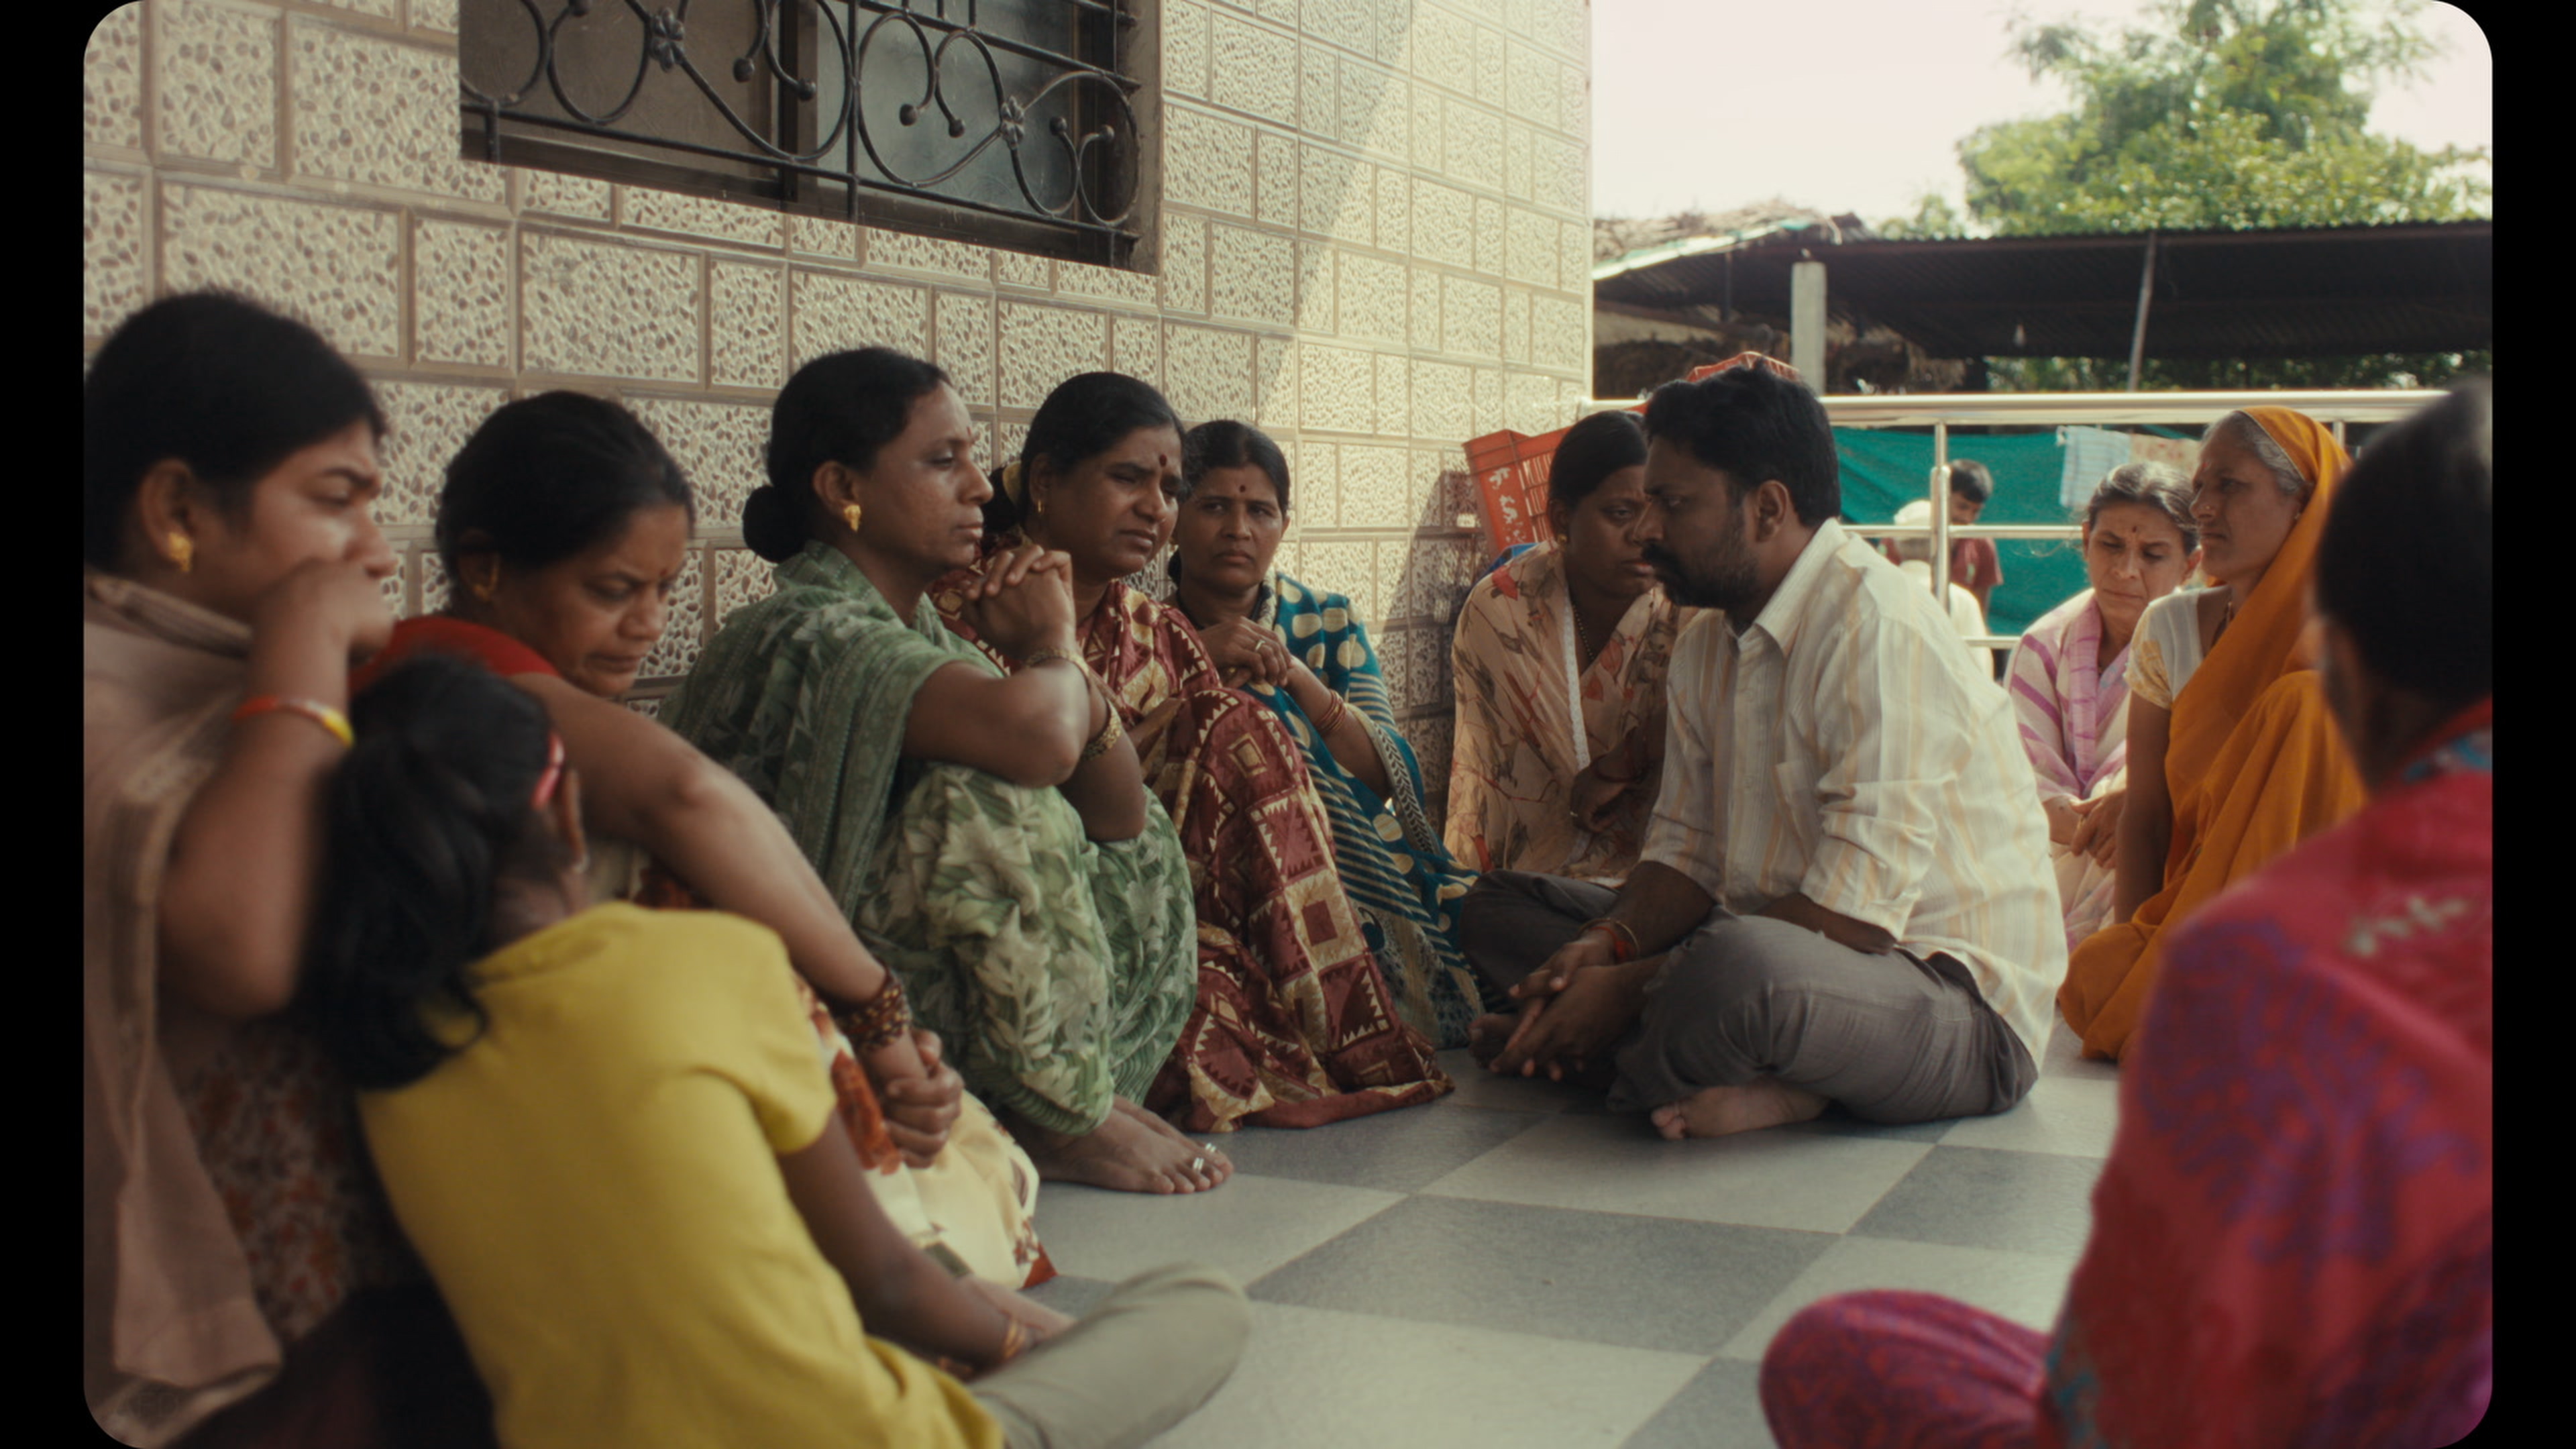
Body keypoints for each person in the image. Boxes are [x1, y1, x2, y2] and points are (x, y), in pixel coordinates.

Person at [1757, 380, 2490, 1449]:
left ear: (2345, 635)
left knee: (1836, 1346)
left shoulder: (2266, 961)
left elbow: (2120, 1398)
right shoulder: (2144, 638)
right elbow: (2118, 804)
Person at [307, 654, 1252, 1449]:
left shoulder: (382, 1056)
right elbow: (886, 1283)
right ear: (563, 812)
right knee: (1203, 1303)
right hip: (856, 1430)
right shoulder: (707, 958)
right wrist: (1025, 1347)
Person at [351, 390, 1053, 1283]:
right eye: (612, 591)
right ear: (483, 569)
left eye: (664, 590)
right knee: (696, 906)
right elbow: (688, 797)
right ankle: (900, 1271)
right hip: (490, 1048)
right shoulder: (454, 675)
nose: (647, 625)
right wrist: (876, 1017)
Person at [83, 290, 492, 1446]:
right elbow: (243, 950)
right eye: (335, 501)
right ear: (175, 509)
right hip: (250, 1341)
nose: (372, 548)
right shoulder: (114, 694)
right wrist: (304, 654)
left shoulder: (254, 694)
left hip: (374, 1288)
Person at [663, 350, 1221, 1194]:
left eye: (971, 456)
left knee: (1135, 833)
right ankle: (1055, 1113)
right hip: (798, 996)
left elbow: (1119, 819)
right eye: (941, 460)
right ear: (840, 488)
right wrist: (1049, 647)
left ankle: (1058, 1092)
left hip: (895, 976)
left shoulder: (923, 633)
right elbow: (1035, 746)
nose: (977, 488)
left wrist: (1079, 691)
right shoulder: (804, 630)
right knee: (990, 798)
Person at [1457, 362, 2061, 1140]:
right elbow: (1683, 856)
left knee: (1739, 973)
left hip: (1945, 998)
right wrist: (1605, 947)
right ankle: (1708, 1065)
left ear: (1769, 508)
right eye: (1642, 508)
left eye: (1672, 506)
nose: (1648, 532)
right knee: (1496, 910)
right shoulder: (1708, 639)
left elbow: (1856, 916)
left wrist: (1626, 990)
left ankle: (1607, 1049)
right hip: (1766, 942)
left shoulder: (1876, 628)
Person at [936, 371, 1451, 1134]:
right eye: (1129, 480)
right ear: (1044, 482)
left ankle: (1333, 1028)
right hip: (1030, 899)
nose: (1156, 508)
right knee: (1226, 727)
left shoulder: (1162, 632)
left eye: (1170, 488)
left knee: (1220, 990)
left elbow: (1383, 780)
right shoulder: (968, 610)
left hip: (1164, 908)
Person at [2058, 408, 2368, 1060]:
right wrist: (2139, 953)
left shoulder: (2369, 639)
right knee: (2097, 979)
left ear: (2303, 503)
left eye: (2230, 485)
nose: (2203, 506)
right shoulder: (2170, 626)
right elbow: (2145, 815)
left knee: (2303, 700)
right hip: (2197, 922)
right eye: (2200, 486)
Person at [1167, 419, 1485, 1049]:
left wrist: (1294, 680)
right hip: (1224, 878)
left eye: (1260, 510)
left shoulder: (1327, 620)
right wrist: (1205, 659)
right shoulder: (1146, 629)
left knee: (1497, 921)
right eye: (1214, 508)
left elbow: (1391, 772)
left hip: (1367, 862)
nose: (1238, 530)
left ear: (1285, 524)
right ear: (1174, 516)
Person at [1446, 409, 1696, 883]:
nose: (1645, 534)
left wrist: (1627, 758)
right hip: (1520, 883)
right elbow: (1527, 794)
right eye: (1621, 513)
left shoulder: (1692, 609)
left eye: (1658, 511)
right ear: (1561, 518)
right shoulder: (1503, 607)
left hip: (1661, 886)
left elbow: (1722, 715)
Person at [2006, 463, 2201, 952]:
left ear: (2191, 566)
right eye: (2110, 545)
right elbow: (2018, 775)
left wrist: (2136, 804)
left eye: (2152, 554)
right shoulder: (2044, 643)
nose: (2124, 571)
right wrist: (2096, 827)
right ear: (2085, 538)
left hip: (2150, 853)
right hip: (2051, 844)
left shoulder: (2205, 647)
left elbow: (2201, 771)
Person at [1888, 498, 1998, 677]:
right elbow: (1980, 674)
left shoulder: (1872, 592)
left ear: (1896, 544)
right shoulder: (1963, 601)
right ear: (1946, 543)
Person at [1881, 456, 2002, 614]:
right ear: (1941, 495)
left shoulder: (1981, 543)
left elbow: (1979, 612)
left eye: (1976, 511)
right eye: (1962, 507)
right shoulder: (1906, 533)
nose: (1968, 518)